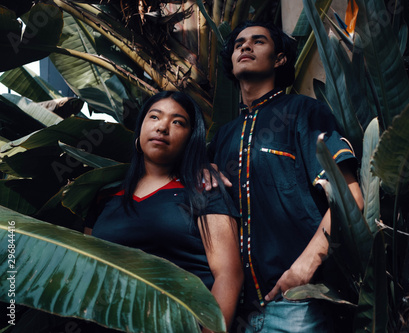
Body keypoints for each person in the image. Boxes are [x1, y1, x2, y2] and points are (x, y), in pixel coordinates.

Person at [207, 21, 364, 332]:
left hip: (298, 304)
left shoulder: (305, 112)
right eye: (239, 44)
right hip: (238, 311)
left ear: (279, 59)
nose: (245, 47)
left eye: (258, 41)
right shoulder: (224, 137)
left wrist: (304, 267)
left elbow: (350, 198)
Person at [84, 91, 243, 332]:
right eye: (154, 117)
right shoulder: (105, 196)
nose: (162, 127)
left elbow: (229, 275)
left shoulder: (206, 190)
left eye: (177, 122)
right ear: (139, 131)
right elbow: (85, 269)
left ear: (191, 138)